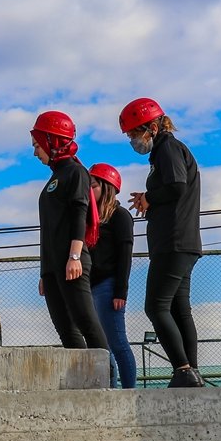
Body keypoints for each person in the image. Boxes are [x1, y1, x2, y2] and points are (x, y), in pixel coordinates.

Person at [120, 98, 204, 388]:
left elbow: (177, 186)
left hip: (174, 242)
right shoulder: (167, 151)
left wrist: (149, 198)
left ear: (152, 128)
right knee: (180, 307)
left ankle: (182, 370)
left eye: (134, 133)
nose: (132, 140)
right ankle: (191, 372)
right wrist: (149, 198)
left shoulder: (167, 148)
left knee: (155, 307)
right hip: (183, 242)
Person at [32, 110, 108, 352]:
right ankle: (83, 382)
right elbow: (49, 229)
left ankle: (108, 379)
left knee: (86, 322)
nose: (35, 152)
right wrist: (46, 271)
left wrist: (74, 256)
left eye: (38, 145)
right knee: (65, 329)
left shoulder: (75, 172)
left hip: (71, 261)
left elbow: (79, 214)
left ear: (51, 141)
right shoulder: (55, 178)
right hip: (53, 266)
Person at [88, 163, 137, 388]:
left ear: (107, 187)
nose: (89, 190)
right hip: (91, 287)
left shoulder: (120, 216)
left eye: (94, 185)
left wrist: (120, 291)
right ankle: (111, 389)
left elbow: (125, 255)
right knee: (102, 347)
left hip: (109, 287)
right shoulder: (91, 220)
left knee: (117, 343)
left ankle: (129, 392)